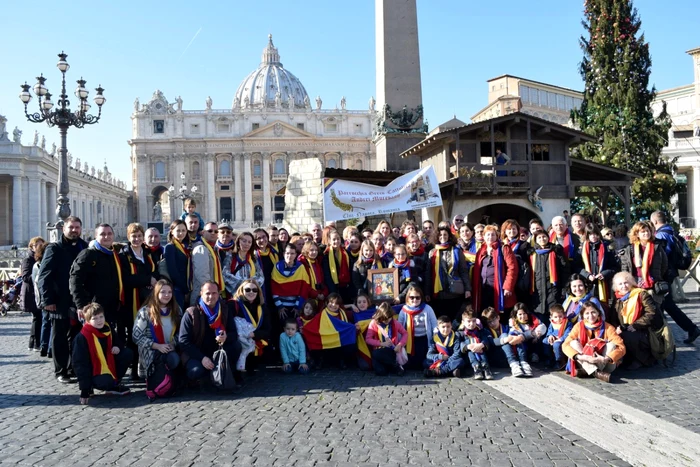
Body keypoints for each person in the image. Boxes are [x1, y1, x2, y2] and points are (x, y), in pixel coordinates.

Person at [38, 216, 88, 382]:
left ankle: (73, 367)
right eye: (71, 227)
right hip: (59, 300)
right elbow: (44, 276)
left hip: (79, 301)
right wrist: (47, 300)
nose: (74, 230)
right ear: (63, 229)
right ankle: (61, 371)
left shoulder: (84, 247)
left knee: (77, 336)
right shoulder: (55, 248)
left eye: (77, 227)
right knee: (59, 336)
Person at [650, 211, 700, 344]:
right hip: (671, 273)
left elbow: (661, 257)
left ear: (655, 221)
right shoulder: (671, 231)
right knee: (667, 305)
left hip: (664, 275)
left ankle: (662, 339)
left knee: (664, 305)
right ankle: (690, 329)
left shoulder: (661, 235)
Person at [179, 281, 242, 384]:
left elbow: (234, 334)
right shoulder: (191, 313)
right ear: (201, 294)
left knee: (236, 346)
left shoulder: (225, 310)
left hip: (218, 351)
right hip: (198, 353)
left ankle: (227, 373)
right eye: (207, 293)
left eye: (214, 293)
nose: (211, 296)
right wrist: (202, 358)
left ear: (218, 294)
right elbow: (183, 342)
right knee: (196, 372)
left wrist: (226, 337)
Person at [119, 223, 158, 379]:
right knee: (134, 335)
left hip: (148, 299)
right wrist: (148, 279)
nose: (136, 239)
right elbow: (126, 279)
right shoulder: (123, 256)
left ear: (143, 238)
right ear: (128, 237)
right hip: (131, 301)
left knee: (148, 334)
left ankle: (147, 367)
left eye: (139, 236)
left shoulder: (148, 253)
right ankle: (134, 370)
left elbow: (156, 272)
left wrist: (153, 279)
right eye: (133, 236)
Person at [73, 303, 132, 404]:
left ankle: (115, 384)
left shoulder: (107, 328)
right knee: (106, 381)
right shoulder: (82, 337)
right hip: (94, 370)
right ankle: (92, 385)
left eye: (101, 317)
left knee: (127, 353)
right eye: (94, 318)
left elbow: (118, 341)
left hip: (108, 364)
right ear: (88, 320)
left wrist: (117, 346)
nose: (99, 320)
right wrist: (84, 390)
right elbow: (80, 364)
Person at [70, 224, 123, 333]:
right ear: (96, 237)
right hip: (93, 308)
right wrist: (81, 305)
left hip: (111, 306)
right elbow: (75, 280)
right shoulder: (88, 254)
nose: (106, 237)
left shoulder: (114, 255)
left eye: (109, 234)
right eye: (102, 234)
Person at [563, 301, 626, 382]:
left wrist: (605, 359)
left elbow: (621, 347)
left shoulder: (608, 327)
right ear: (583, 315)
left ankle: (588, 372)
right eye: (587, 313)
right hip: (585, 360)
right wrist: (583, 357)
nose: (590, 316)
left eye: (593, 312)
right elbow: (565, 345)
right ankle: (596, 372)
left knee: (611, 345)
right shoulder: (578, 326)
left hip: (605, 362)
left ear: (598, 313)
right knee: (573, 343)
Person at [611, 272, 662, 369]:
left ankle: (642, 360)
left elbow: (652, 313)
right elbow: (613, 316)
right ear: (616, 287)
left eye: (626, 283)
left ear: (631, 283)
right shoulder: (618, 298)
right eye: (620, 284)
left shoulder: (641, 294)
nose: (623, 286)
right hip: (625, 328)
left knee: (628, 336)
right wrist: (616, 327)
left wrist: (635, 325)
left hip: (644, 329)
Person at [132, 280, 182, 378]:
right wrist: (157, 346)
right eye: (163, 292)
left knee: (177, 360)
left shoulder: (177, 310)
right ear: (156, 293)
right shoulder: (145, 312)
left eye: (169, 292)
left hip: (170, 349)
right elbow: (136, 336)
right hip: (151, 351)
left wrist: (173, 344)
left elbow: (181, 332)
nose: (167, 295)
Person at [471, 225, 516, 321]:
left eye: (493, 235)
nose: (490, 237)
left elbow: (512, 268)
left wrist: (507, 286)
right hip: (483, 289)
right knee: (485, 315)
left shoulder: (504, 248)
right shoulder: (481, 250)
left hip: (499, 289)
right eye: (487, 235)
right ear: (483, 237)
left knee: (499, 316)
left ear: (497, 236)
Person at [427, 226, 471, 320]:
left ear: (449, 236)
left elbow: (463, 271)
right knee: (442, 320)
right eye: (440, 235)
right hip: (438, 294)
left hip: (455, 292)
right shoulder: (432, 252)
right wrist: (427, 292)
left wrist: (468, 289)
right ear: (437, 237)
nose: (443, 237)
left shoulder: (456, 251)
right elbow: (428, 274)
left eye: (445, 234)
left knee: (454, 319)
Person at [231, 279, 271, 373]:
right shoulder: (233, 305)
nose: (251, 292)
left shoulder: (262, 308)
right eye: (247, 290)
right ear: (242, 291)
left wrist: (254, 334)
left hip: (255, 341)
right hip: (239, 341)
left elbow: (268, 330)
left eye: (254, 290)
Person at [395, 284, 437, 370]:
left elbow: (434, 324)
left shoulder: (427, 308)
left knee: (424, 363)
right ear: (408, 298)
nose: (415, 300)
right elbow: (399, 328)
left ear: (421, 298)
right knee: (411, 365)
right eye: (412, 297)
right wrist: (399, 344)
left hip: (424, 340)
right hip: (410, 341)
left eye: (418, 297)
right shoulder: (404, 310)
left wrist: (436, 339)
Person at [529, 230, 568, 321]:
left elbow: (565, 270)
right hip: (537, 291)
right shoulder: (532, 253)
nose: (542, 239)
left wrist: (564, 288)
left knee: (554, 316)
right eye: (539, 237)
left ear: (548, 237)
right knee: (540, 318)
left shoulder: (556, 251)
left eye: (544, 237)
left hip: (553, 290)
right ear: (535, 240)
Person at [579, 223, 617, 307]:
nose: (593, 236)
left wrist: (604, 274)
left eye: (595, 234)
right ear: (587, 235)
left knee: (604, 309)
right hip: (587, 285)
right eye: (590, 234)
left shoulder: (607, 247)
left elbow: (615, 267)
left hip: (604, 285)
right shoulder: (581, 248)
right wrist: (587, 275)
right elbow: (577, 267)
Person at [365, 302, 408, 376]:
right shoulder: (373, 323)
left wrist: (400, 344)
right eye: (384, 319)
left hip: (391, 351)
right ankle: (394, 365)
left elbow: (405, 333)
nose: (387, 321)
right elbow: (368, 339)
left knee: (377, 354)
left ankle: (394, 365)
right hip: (378, 351)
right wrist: (381, 343)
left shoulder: (395, 323)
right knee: (381, 371)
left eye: (389, 318)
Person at [272, 244, 312, 322]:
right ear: (284, 254)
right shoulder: (277, 267)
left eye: (292, 253)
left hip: (295, 307)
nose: (289, 256)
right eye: (287, 253)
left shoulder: (300, 267)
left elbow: (304, 288)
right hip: (281, 307)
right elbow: (274, 288)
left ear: (296, 255)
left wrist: (298, 306)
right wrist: (279, 306)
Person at [507, 302, 546, 377]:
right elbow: (514, 336)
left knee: (538, 338)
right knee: (519, 340)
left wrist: (536, 334)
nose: (523, 316)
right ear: (516, 315)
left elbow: (543, 327)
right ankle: (523, 362)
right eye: (520, 314)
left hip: (532, 343)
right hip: (521, 345)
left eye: (524, 313)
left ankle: (534, 354)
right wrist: (528, 334)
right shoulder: (513, 323)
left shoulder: (533, 319)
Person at [191, 222, 225, 305]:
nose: (213, 233)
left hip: (212, 294)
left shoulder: (214, 249)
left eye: (216, 231)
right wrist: (212, 292)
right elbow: (202, 275)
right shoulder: (201, 248)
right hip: (204, 296)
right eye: (210, 231)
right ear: (203, 232)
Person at [21, 236, 45, 352]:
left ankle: (33, 343)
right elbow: (25, 277)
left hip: (37, 292)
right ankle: (36, 343)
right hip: (31, 293)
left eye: (42, 245)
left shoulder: (41, 258)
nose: (40, 247)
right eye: (37, 245)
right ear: (32, 247)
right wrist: (38, 274)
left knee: (38, 318)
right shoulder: (28, 260)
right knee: (37, 318)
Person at [223, 232, 265, 296]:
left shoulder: (253, 258)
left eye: (249, 242)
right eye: (244, 241)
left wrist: (250, 285)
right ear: (238, 242)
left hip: (251, 294)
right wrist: (244, 284)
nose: (246, 244)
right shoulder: (230, 256)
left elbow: (261, 276)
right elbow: (225, 274)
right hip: (235, 294)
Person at [163, 220, 192, 312]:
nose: (181, 233)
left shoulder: (185, 247)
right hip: (177, 288)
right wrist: (185, 289)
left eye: (183, 230)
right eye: (178, 230)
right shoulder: (170, 247)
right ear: (172, 231)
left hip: (185, 286)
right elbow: (173, 271)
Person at [459, 307, 493, 380]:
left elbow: (485, 339)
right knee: (469, 345)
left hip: (481, 353)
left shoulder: (480, 331)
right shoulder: (461, 333)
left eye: (474, 321)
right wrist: (467, 346)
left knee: (479, 344)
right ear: (463, 322)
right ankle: (476, 368)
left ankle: (485, 367)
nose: (471, 324)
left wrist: (482, 344)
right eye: (469, 321)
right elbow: (459, 344)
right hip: (468, 357)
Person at [32, 243, 51, 357]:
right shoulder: (43, 264)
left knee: (45, 322)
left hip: (40, 297)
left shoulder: (36, 265)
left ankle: (44, 346)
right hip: (45, 297)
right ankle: (48, 348)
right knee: (49, 323)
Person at [322, 229, 352, 302]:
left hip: (345, 287)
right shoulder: (326, 255)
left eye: (338, 239)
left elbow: (350, 269)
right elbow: (327, 275)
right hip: (333, 287)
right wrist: (333, 290)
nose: (336, 241)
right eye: (334, 239)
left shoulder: (346, 253)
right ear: (329, 241)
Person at [542, 304, 572, 370]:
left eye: (560, 316)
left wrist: (560, 339)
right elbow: (549, 331)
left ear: (564, 315)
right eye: (555, 317)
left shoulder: (567, 323)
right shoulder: (552, 323)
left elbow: (568, 334)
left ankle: (559, 361)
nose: (558, 319)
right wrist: (550, 335)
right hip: (553, 338)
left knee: (556, 345)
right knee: (544, 341)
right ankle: (549, 358)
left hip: (561, 339)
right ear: (551, 317)